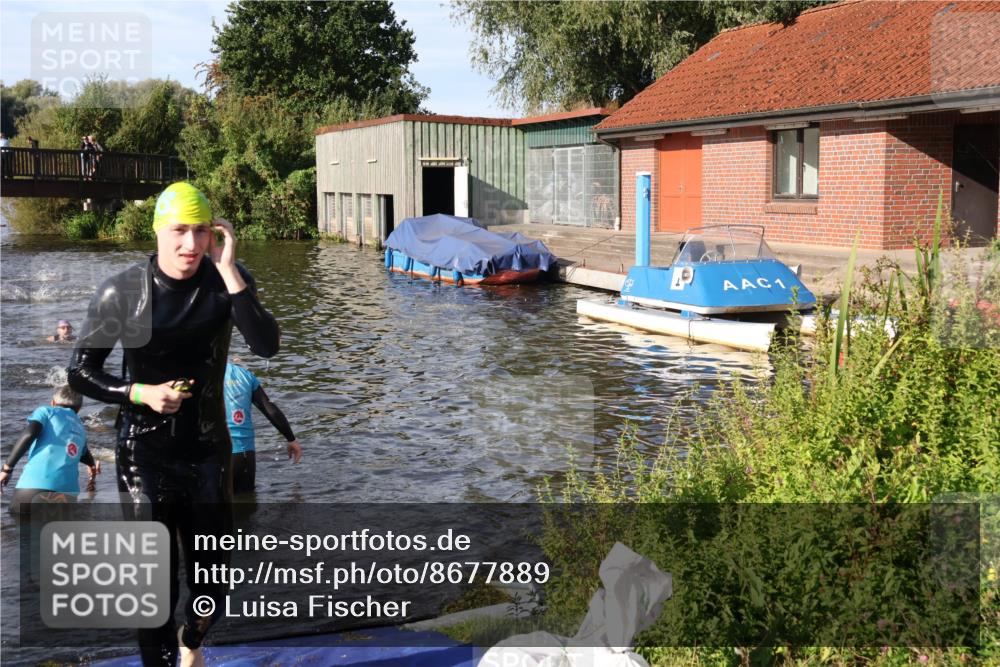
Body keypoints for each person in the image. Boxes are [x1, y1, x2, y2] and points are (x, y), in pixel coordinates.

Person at [68, 181, 280, 667]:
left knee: (214, 582)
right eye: (179, 231)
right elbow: (80, 371)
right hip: (144, 452)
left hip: (207, 449)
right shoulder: (122, 290)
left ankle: (192, 641)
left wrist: (230, 273)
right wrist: (138, 392)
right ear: (159, 231)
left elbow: (266, 344)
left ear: (214, 234)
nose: (190, 244)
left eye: (201, 231)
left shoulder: (226, 280)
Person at [0, 385, 100, 515]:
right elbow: (84, 454)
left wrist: (7, 468)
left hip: (32, 489)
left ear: (53, 402)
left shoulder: (46, 412)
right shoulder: (80, 428)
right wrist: (91, 465)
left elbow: (30, 434)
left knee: (14, 531)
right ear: (79, 409)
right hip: (66, 496)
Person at [224, 359, 302, 493]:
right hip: (244, 455)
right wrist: (291, 439)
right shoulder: (244, 374)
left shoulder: (199, 374)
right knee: (246, 507)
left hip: (214, 454)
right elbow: (270, 410)